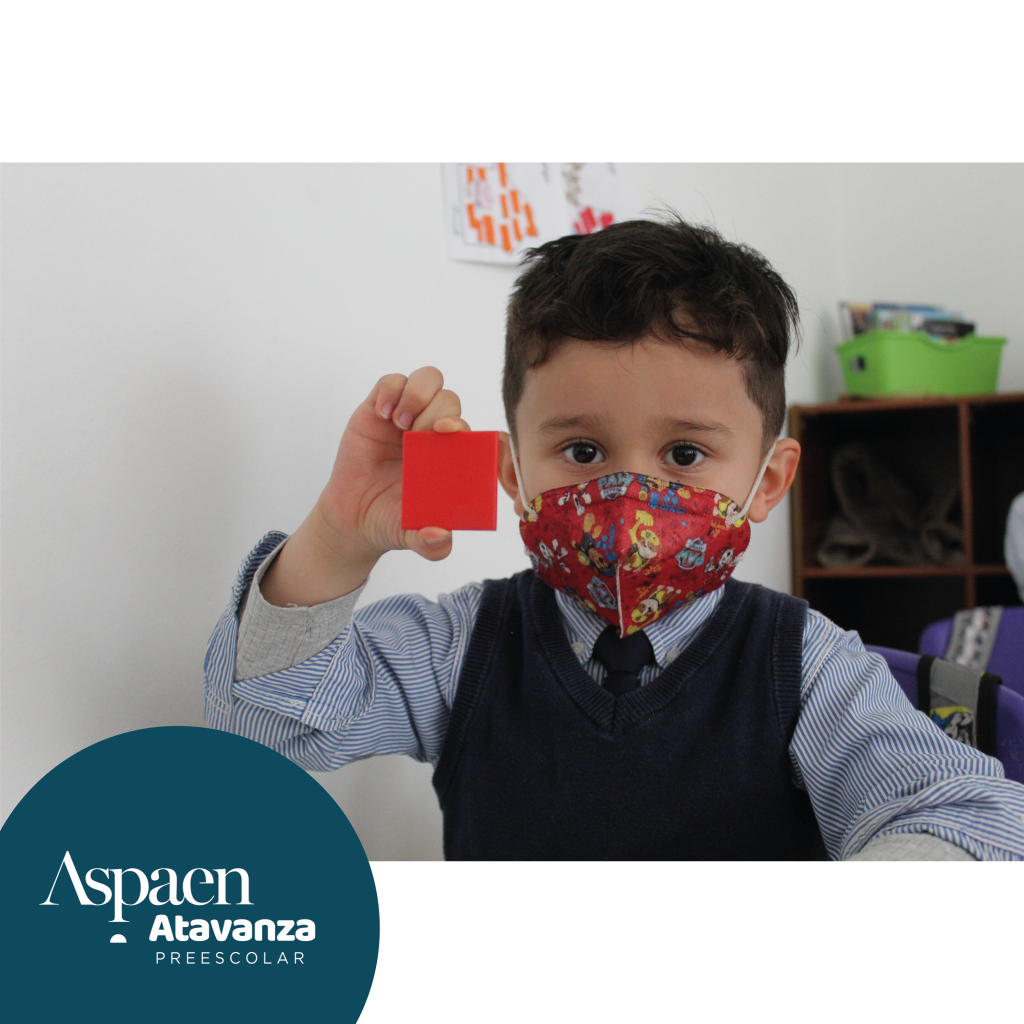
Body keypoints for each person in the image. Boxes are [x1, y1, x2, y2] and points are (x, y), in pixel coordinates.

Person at [204, 217, 1024, 860]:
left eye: (685, 454)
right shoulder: (461, 644)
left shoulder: (806, 662)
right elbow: (262, 727)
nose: (629, 498)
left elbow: (965, 814)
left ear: (769, 482)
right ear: (512, 470)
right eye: (582, 450)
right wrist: (338, 536)